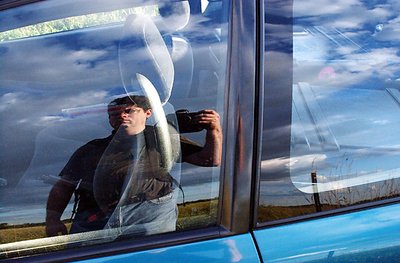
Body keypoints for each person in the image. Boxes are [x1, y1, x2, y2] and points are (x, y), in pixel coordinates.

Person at [45, 95, 222, 237]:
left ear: (148, 113)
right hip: (96, 219)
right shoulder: (91, 149)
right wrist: (52, 219)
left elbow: (209, 160)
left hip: (151, 216)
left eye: (129, 111)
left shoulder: (161, 139)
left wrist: (214, 130)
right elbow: (64, 186)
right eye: (114, 114)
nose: (121, 116)